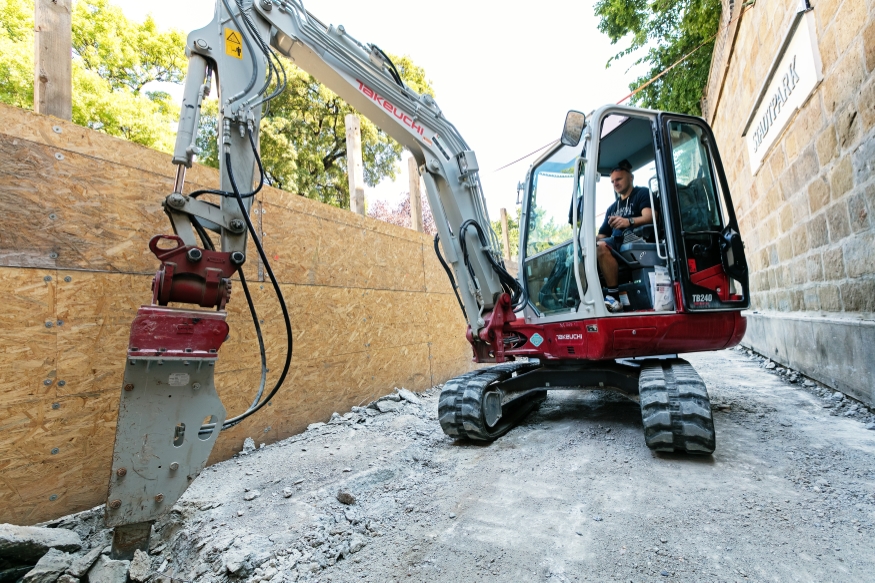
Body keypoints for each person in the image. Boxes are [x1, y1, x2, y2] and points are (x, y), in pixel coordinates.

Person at [596, 159, 652, 312]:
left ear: (631, 177)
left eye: (619, 179)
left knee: (601, 247)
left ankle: (613, 298)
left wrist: (628, 221)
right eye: (613, 181)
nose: (615, 183)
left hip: (634, 239)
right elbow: (602, 234)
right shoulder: (612, 208)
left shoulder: (642, 193)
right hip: (615, 241)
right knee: (590, 248)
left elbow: (651, 216)